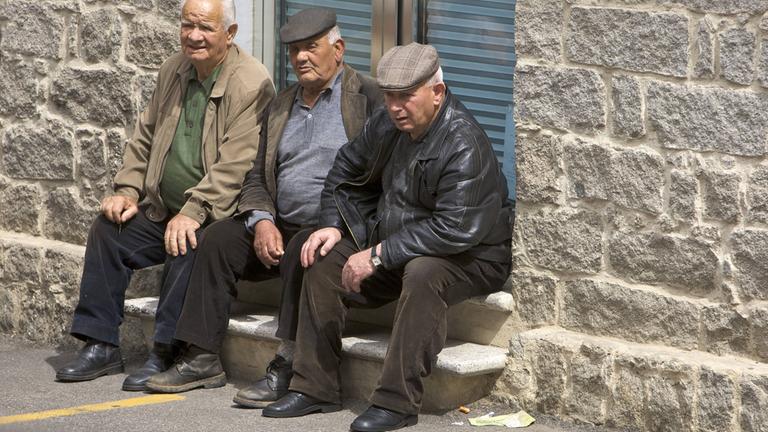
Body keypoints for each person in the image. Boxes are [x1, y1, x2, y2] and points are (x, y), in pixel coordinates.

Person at [261, 43, 514, 432]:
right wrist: (332, 223)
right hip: (396, 241)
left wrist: (377, 255)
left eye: (406, 96)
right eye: (390, 96)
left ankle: (396, 402)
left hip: (472, 254)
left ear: (437, 93)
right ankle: (315, 387)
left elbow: (454, 228)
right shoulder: (387, 122)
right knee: (319, 252)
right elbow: (345, 166)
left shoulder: (464, 143)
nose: (396, 106)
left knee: (425, 272)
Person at [144, 8, 382, 401]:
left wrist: (339, 223)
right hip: (280, 223)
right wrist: (262, 220)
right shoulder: (282, 103)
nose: (301, 58)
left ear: (338, 49)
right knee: (217, 237)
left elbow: (378, 178)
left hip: (332, 227)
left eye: (311, 48)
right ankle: (201, 357)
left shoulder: (366, 98)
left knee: (304, 250)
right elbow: (256, 173)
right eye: (294, 51)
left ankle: (287, 363)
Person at [54, 0, 275, 392]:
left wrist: (193, 209)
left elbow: (237, 165)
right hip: (164, 206)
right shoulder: (174, 69)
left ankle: (165, 350)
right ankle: (100, 342)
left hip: (215, 212)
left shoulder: (251, 83)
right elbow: (144, 136)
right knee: (108, 231)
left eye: (205, 27)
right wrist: (126, 190)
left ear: (231, 33)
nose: (194, 35)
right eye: (187, 25)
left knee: (186, 239)